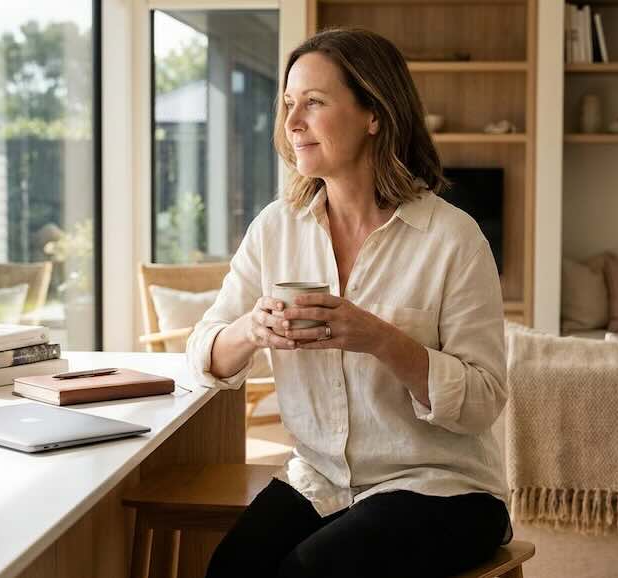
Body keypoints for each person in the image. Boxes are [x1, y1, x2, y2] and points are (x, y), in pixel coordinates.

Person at [186, 27, 510, 578]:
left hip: (441, 488)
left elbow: (483, 399)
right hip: (321, 481)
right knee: (230, 568)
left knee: (312, 570)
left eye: (313, 103)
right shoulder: (275, 228)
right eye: (289, 104)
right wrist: (252, 329)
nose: (291, 124)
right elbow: (204, 353)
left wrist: (380, 338)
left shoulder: (453, 239)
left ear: (374, 114)